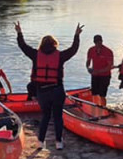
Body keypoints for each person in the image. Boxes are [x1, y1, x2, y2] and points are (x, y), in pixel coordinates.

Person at [16, 21, 83, 150]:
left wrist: (19, 32)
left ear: (42, 44)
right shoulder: (60, 56)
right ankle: (59, 142)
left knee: (45, 116)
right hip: (57, 90)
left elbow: (23, 46)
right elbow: (73, 49)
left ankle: (41, 142)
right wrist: (76, 35)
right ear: (54, 44)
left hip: (42, 91)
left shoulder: (35, 55)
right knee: (58, 116)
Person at [85, 34, 114, 107]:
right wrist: (88, 68)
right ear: (94, 42)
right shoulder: (91, 50)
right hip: (95, 75)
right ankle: (95, 108)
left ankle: (103, 108)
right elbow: (88, 61)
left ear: (102, 41)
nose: (98, 44)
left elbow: (109, 66)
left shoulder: (108, 51)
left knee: (102, 94)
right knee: (94, 93)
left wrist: (98, 71)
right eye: (96, 43)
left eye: (99, 42)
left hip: (105, 76)